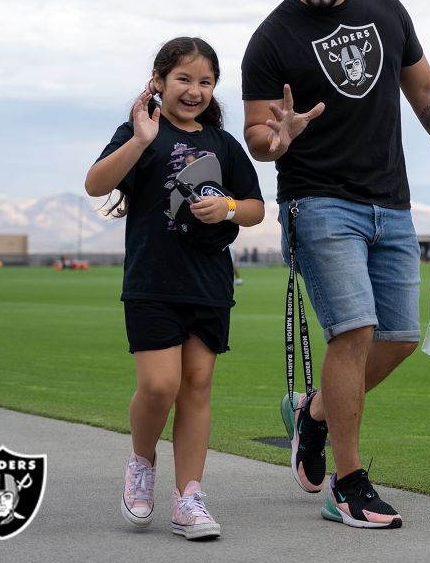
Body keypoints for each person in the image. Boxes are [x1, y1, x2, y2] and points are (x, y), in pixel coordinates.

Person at [241, 0, 430, 530]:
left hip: (390, 203)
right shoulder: (271, 38)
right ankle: (347, 483)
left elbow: (427, 95)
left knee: (401, 338)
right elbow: (257, 135)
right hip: (319, 202)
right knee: (353, 333)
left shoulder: (387, 11)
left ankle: (315, 413)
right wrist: (279, 136)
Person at [85, 37, 265, 540]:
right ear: (159, 81)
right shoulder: (137, 132)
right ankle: (142, 464)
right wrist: (140, 139)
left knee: (198, 386)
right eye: (184, 79)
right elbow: (96, 184)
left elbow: (254, 207)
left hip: (208, 284)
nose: (194, 90)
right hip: (152, 282)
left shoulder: (223, 145)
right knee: (160, 385)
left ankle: (190, 498)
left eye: (205, 82)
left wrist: (226, 207)